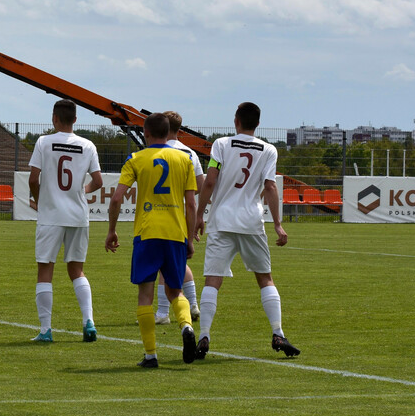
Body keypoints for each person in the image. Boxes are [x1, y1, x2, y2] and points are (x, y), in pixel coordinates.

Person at [193, 102, 300, 359]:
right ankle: (278, 333)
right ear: (258, 124)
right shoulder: (268, 149)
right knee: (265, 278)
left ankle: (204, 335)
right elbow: (271, 187)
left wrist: (199, 214)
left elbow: (210, 181)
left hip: (222, 221)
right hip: (252, 221)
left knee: (212, 280)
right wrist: (277, 223)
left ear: (236, 121)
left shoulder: (221, 144)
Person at [106, 112, 197, 368]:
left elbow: (116, 199)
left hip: (147, 233)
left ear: (145, 133)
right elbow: (191, 204)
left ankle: (150, 355)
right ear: (169, 133)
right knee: (175, 290)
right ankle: (187, 327)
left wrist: (112, 230)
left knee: (145, 295)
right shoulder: (185, 158)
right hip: (175, 233)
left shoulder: (136, 159)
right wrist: (189, 238)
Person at [26, 99, 104, 344]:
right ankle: (88, 321)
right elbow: (99, 182)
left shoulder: (44, 142)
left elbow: (32, 179)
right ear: (76, 120)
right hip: (78, 215)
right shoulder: (88, 145)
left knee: (45, 270)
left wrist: (40, 202)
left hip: (51, 216)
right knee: (77, 270)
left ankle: (46, 330)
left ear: (54, 119)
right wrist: (81, 190)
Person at [154, 111, 203, 324]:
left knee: (162, 263)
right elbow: (200, 185)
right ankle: (192, 304)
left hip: (163, 214)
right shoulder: (190, 153)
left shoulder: (156, 152)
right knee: (178, 262)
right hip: (185, 213)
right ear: (180, 129)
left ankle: (163, 313)